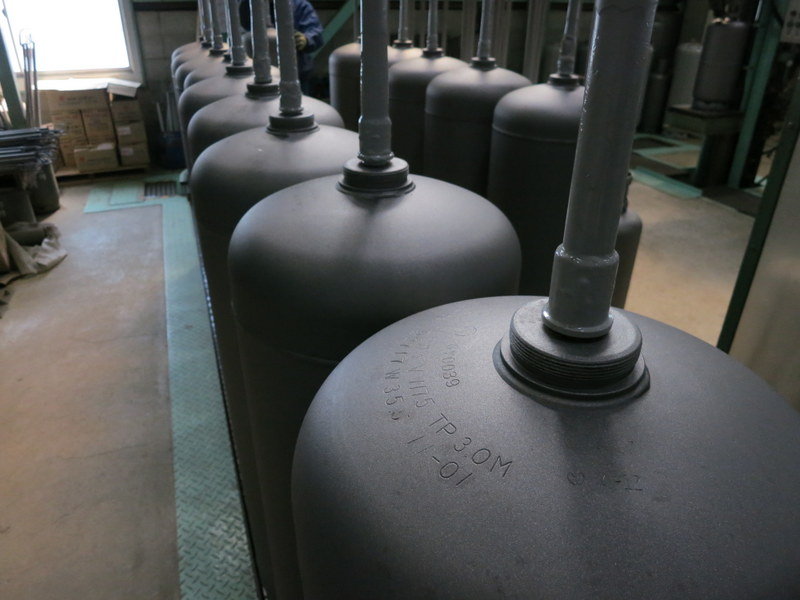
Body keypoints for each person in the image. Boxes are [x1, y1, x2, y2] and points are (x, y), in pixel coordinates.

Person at [239, 0, 324, 93]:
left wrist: (307, 39)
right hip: (256, 76)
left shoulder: (299, 5)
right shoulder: (249, 5)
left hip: (298, 73)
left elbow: (316, 32)